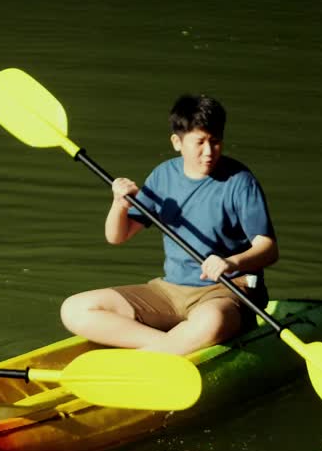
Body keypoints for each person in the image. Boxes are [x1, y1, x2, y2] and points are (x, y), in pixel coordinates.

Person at [59, 94, 278, 356]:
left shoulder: (240, 181)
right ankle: (169, 346)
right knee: (75, 309)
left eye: (215, 142)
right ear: (177, 142)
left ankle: (150, 355)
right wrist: (119, 203)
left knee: (211, 322)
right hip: (169, 291)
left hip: (225, 293)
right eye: (200, 142)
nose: (209, 152)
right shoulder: (163, 176)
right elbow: (117, 236)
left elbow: (268, 248)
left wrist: (231, 263)